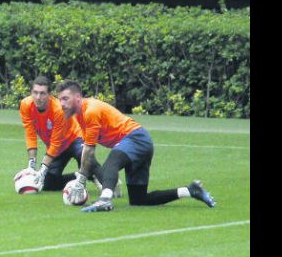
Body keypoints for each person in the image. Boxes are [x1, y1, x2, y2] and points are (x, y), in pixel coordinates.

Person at [55, 79, 216, 212]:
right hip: (140, 142)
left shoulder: (90, 111)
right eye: (60, 99)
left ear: (77, 97)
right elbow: (87, 150)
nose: (61, 103)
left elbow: (89, 151)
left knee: (112, 161)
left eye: (65, 99)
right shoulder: (79, 116)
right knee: (139, 199)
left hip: (135, 138)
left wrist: (82, 179)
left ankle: (104, 200)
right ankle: (190, 190)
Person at [21, 76, 115, 194]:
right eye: (35, 93)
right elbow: (30, 134)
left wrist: (42, 169)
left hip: (74, 138)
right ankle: (80, 176)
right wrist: (31, 166)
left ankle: (108, 186)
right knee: (47, 184)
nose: (38, 97)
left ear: (49, 95)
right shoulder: (25, 105)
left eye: (42, 93)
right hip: (57, 149)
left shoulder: (58, 109)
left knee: (85, 156)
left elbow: (56, 142)